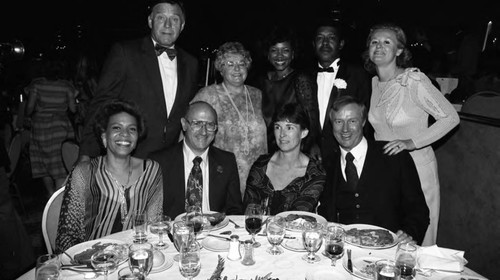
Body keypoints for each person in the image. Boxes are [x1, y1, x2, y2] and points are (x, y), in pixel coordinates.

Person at [363, 23, 460, 246]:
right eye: (374, 42)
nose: (379, 46)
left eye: (387, 42)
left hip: (417, 169)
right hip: (388, 171)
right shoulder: (375, 83)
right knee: (390, 236)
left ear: (399, 51)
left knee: (419, 239)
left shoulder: (413, 81)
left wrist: (411, 142)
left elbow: (451, 118)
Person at [79, 0, 199, 161]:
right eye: (161, 18)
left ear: (182, 25)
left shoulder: (191, 63)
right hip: (129, 155)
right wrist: (87, 153)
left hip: (169, 159)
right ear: (150, 21)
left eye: (175, 19)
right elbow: (100, 104)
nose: (168, 25)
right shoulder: (125, 53)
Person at [318, 96, 429, 245]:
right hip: (343, 250)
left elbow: (418, 210)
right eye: (339, 122)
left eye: (352, 121)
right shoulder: (327, 164)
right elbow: (325, 213)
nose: (345, 129)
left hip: (388, 250)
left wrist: (409, 234)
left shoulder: (394, 156)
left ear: (363, 122)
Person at [56, 99, 163, 252]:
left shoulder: (152, 171)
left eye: (132, 129)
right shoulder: (84, 172)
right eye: (116, 128)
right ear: (104, 136)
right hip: (93, 261)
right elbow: (66, 236)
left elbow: (154, 225)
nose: (125, 134)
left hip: (135, 257)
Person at [191, 42, 267, 198]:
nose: (237, 68)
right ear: (220, 68)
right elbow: (188, 132)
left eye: (241, 63)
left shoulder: (257, 95)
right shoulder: (207, 95)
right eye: (230, 64)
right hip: (222, 176)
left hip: (258, 177)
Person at [150, 101, 243, 218]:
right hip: (175, 232)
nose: (203, 132)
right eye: (197, 123)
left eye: (210, 125)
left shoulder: (227, 161)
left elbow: (235, 211)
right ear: (184, 124)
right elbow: (152, 213)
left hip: (216, 232)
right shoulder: (159, 162)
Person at [243, 103, 325, 215]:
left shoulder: (314, 173)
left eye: (289, 128)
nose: (282, 134)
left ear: (303, 133)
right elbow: (249, 210)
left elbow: (297, 216)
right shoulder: (261, 164)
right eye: (278, 127)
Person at [309, 19, 372, 164]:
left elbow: (365, 117)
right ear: (313, 44)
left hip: (348, 155)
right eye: (320, 38)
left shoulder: (358, 75)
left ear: (341, 44)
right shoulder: (305, 77)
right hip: (312, 157)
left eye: (331, 38)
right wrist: (309, 143)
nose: (325, 43)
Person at [253, 26, 318, 154]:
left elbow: (312, 118)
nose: (279, 55)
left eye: (285, 50)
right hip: (264, 150)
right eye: (274, 50)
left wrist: (313, 145)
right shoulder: (260, 81)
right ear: (268, 54)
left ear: (293, 54)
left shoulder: (301, 80)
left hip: (292, 149)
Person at [24, 57, 76, 196]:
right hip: (60, 126)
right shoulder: (66, 86)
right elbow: (73, 109)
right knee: (59, 163)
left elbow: (29, 108)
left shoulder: (36, 85)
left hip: (41, 127)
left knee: (42, 162)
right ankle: (58, 199)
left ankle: (50, 194)